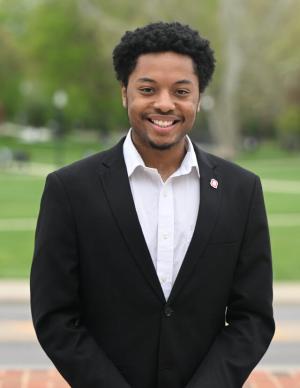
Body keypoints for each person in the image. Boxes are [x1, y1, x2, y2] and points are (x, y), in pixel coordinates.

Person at [30, 21, 275, 388]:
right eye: (148, 89)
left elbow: (252, 317)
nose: (164, 103)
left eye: (180, 91)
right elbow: (56, 316)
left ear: (198, 96)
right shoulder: (69, 190)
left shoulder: (242, 190)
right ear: (124, 93)